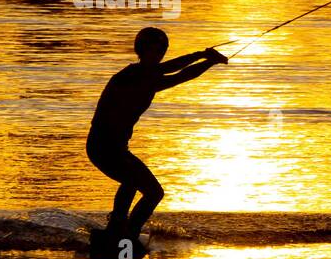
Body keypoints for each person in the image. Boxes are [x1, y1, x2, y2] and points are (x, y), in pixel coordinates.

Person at [86, 27, 227, 241]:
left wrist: (206, 59)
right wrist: (205, 58)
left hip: (116, 148)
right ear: (142, 50)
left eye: (162, 50)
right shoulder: (132, 75)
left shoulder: (148, 76)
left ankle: (119, 230)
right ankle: (124, 234)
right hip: (102, 147)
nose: (159, 54)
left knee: (142, 186)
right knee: (143, 186)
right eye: (155, 50)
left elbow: (176, 71)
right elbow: (175, 71)